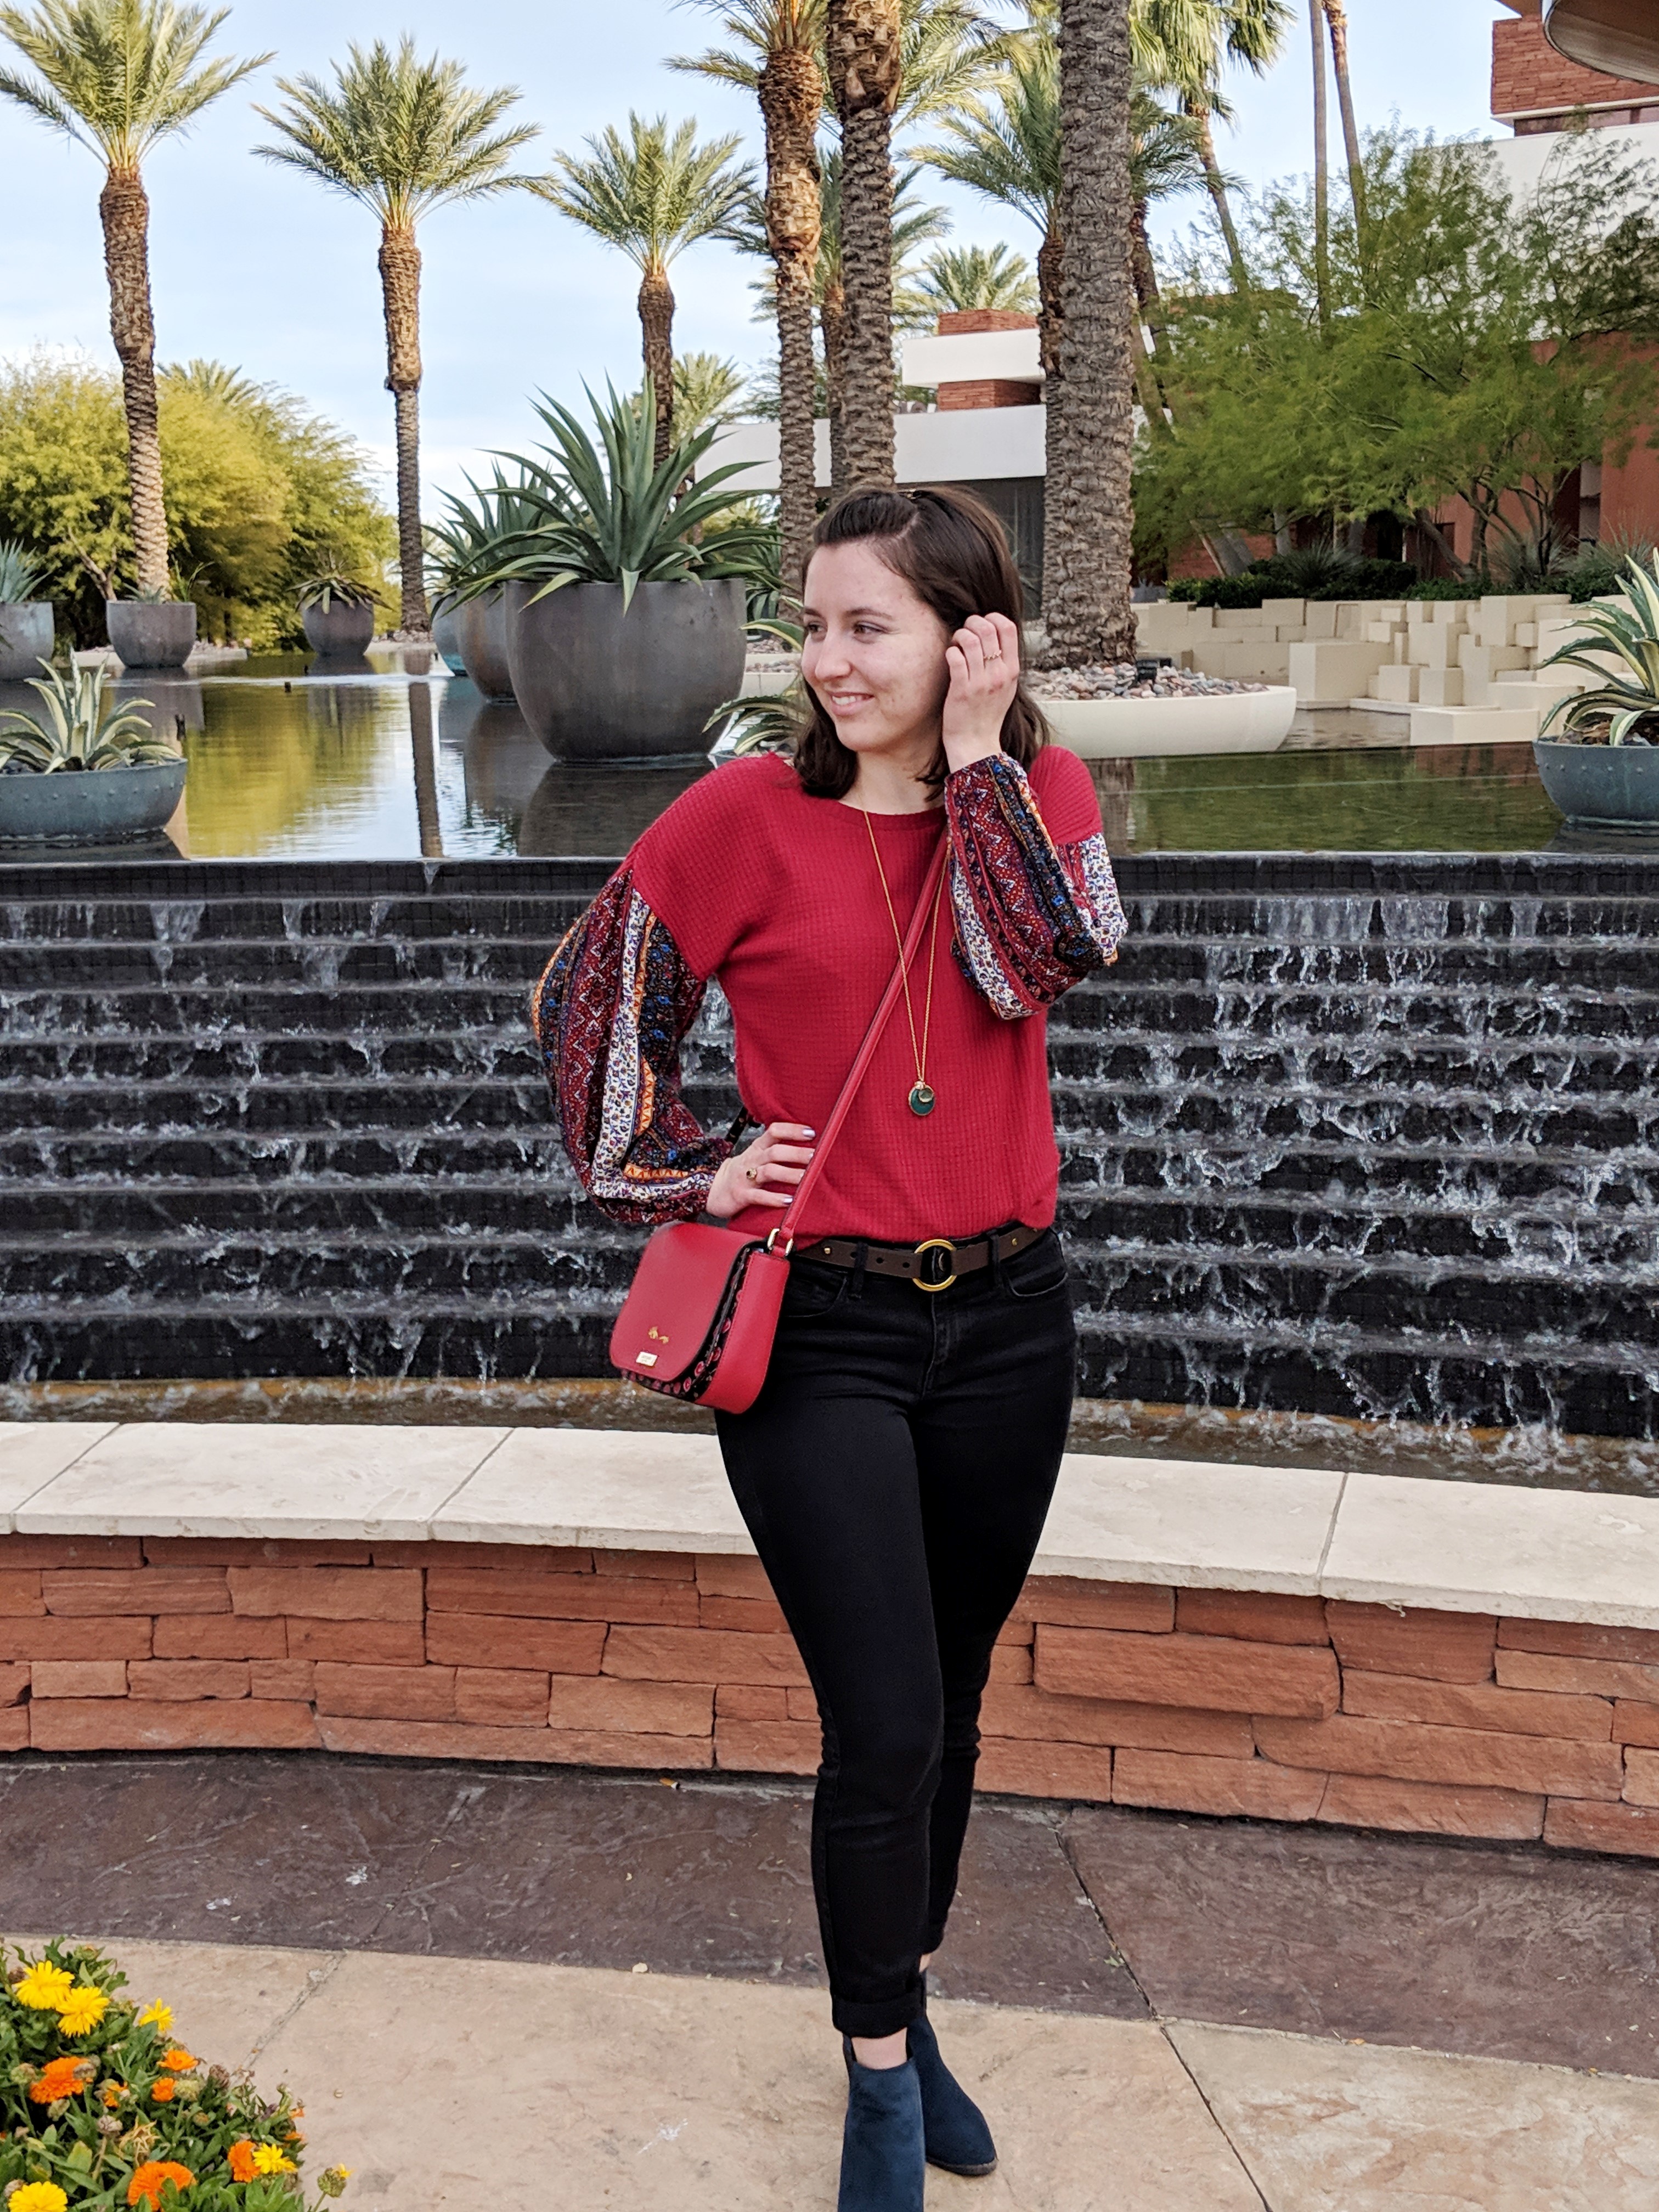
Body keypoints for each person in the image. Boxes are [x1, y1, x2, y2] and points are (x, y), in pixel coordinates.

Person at [531, 484, 1127, 2211]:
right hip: (825, 1333)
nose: (827, 659)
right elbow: (587, 1004)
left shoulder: (1040, 798)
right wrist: (688, 1166)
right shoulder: (741, 816)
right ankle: (879, 2078)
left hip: (1012, 1323)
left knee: (946, 1704)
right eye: (815, 624)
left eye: (871, 626)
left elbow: (1043, 965)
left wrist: (989, 752)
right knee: (878, 1721)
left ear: (967, 635)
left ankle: (906, 1997)